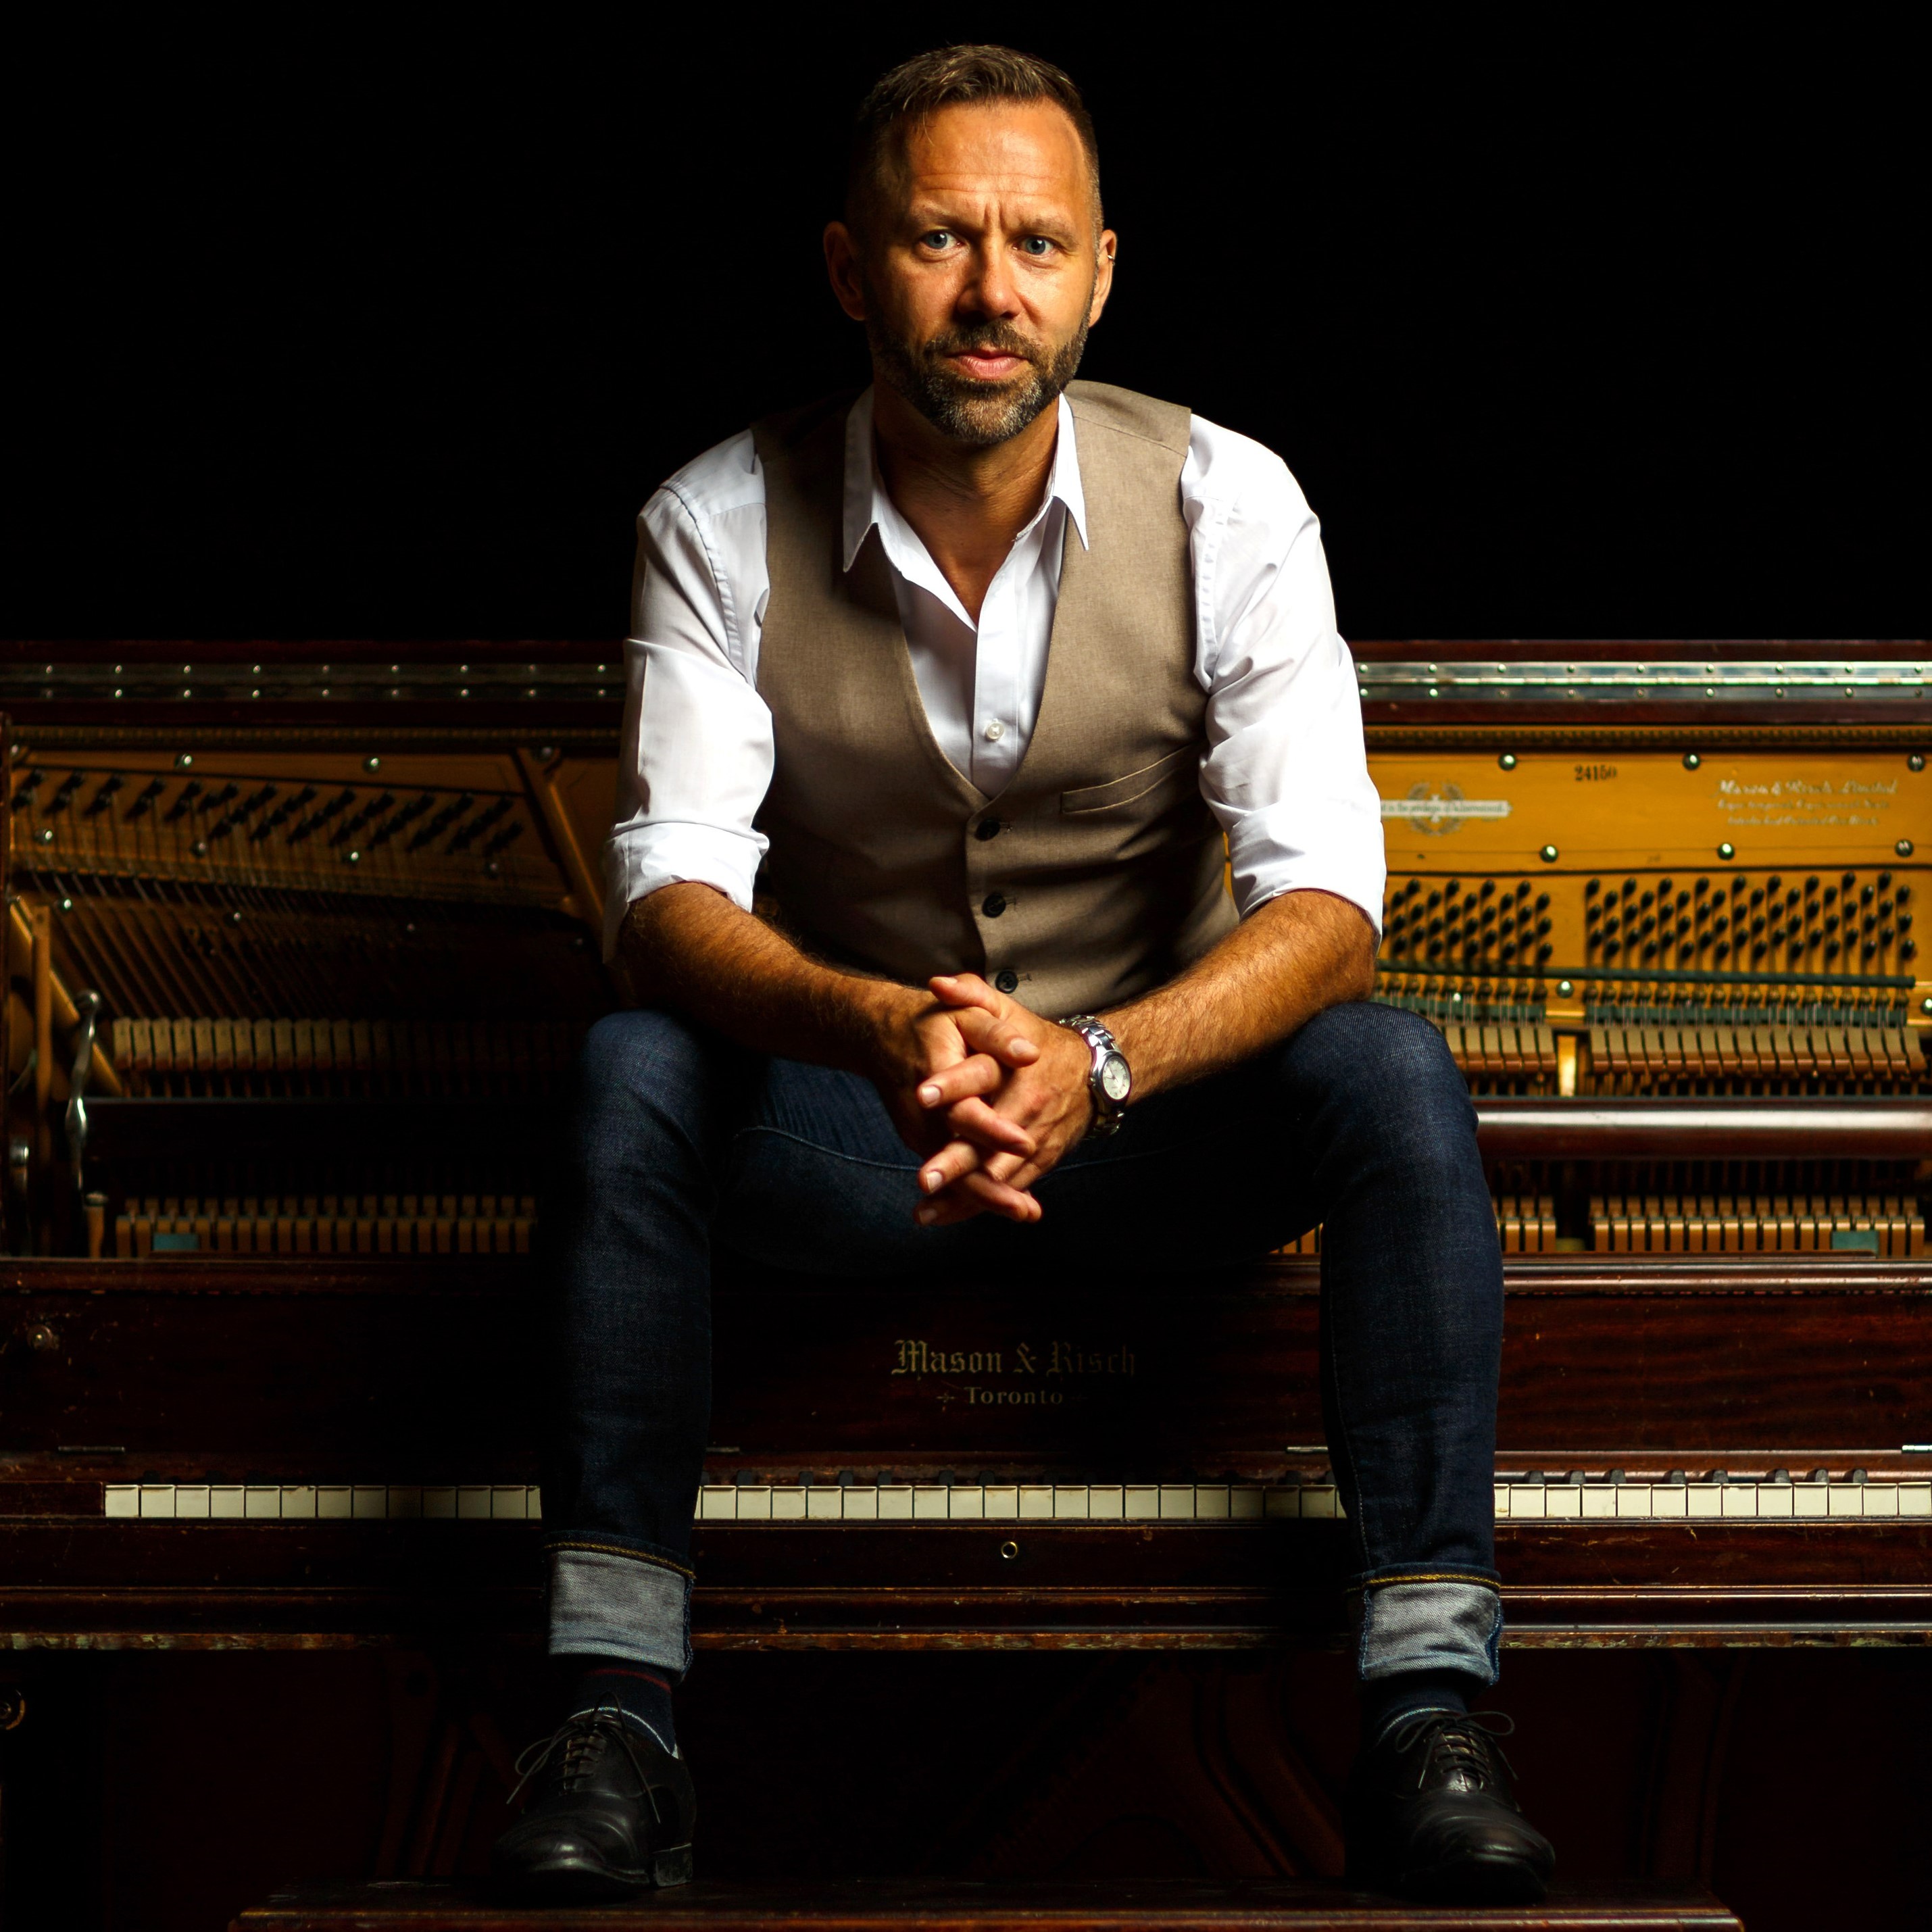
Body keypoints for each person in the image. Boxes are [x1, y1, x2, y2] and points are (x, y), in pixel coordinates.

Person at [493, 42, 1555, 1907]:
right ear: (848, 269)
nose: (992, 288)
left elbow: (1327, 897)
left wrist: (1101, 1058)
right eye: (939, 237)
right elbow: (661, 901)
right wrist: (881, 1024)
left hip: (1154, 1134)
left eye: (1035, 244)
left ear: (1099, 273)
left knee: (1387, 1066)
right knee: (631, 1067)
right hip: (858, 1136)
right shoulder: (715, 520)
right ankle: (612, 1711)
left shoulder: (1229, 504)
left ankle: (1424, 1712)